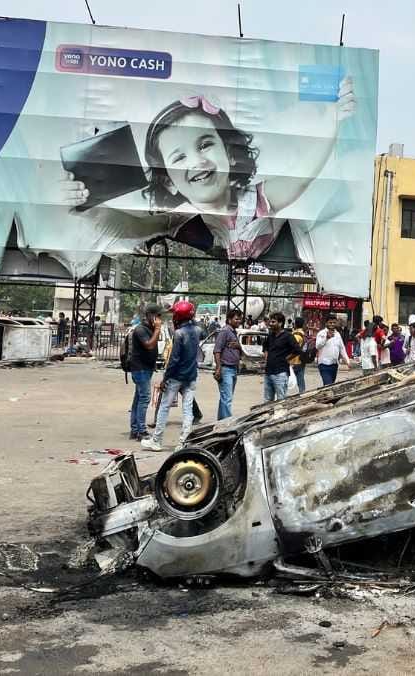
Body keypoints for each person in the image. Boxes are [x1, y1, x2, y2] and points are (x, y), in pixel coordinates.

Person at [59, 84, 356, 263]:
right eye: (179, 157)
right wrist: (85, 205)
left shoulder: (258, 199)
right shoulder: (177, 217)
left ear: (228, 151)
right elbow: (126, 226)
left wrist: (333, 121)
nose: (197, 161)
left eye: (205, 145)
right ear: (168, 180)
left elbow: (304, 174)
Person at [144, 301, 201, 450]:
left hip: (176, 376)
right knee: (188, 410)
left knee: (164, 407)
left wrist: (165, 379)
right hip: (191, 376)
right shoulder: (197, 330)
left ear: (179, 316)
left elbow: (174, 359)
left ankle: (156, 440)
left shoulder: (179, 333)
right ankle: (183, 442)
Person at [128, 305, 162, 440]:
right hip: (140, 368)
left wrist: (156, 329)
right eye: (158, 316)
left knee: (138, 399)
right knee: (145, 398)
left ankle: (135, 429)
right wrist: (158, 329)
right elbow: (149, 345)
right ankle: (141, 431)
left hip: (146, 368)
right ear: (150, 315)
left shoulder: (149, 329)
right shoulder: (140, 329)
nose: (160, 319)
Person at [263, 312, 302, 401]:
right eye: (270, 322)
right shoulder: (270, 336)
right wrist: (266, 359)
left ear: (280, 323)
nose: (270, 324)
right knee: (267, 400)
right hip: (268, 372)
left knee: (281, 399)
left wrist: (287, 359)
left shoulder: (288, 336)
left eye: (273, 322)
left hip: (280, 373)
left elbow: (297, 350)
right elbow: (265, 348)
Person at [213, 309, 244, 420]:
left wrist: (238, 347)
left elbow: (240, 350)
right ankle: (227, 422)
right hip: (226, 369)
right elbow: (217, 350)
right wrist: (218, 368)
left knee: (225, 397)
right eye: (236, 319)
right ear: (229, 319)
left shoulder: (234, 332)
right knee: (227, 398)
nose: (238, 321)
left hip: (233, 369)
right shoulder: (225, 331)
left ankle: (221, 421)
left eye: (240, 319)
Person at [315, 315, 351, 386]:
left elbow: (342, 348)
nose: (332, 324)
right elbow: (317, 346)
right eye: (330, 323)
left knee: (331, 385)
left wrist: (347, 361)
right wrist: (326, 338)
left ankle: (325, 397)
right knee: (328, 385)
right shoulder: (321, 333)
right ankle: (327, 396)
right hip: (324, 364)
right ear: (326, 323)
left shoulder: (337, 334)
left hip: (334, 364)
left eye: (334, 323)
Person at [288, 317, 308, 394]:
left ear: (295, 324)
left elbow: (292, 348)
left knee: (287, 381)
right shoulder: (303, 334)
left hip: (294, 361)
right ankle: (302, 395)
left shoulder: (296, 335)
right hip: (301, 360)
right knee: (301, 381)